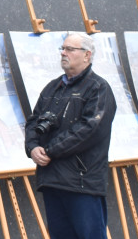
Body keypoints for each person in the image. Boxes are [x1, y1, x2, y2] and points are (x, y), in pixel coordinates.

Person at [25, 32, 116, 239]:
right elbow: (33, 121)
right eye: (62, 49)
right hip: (52, 180)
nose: (63, 53)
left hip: (82, 183)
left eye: (70, 49)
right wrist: (32, 148)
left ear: (87, 55)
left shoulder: (98, 88)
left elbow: (89, 129)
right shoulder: (52, 87)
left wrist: (49, 150)